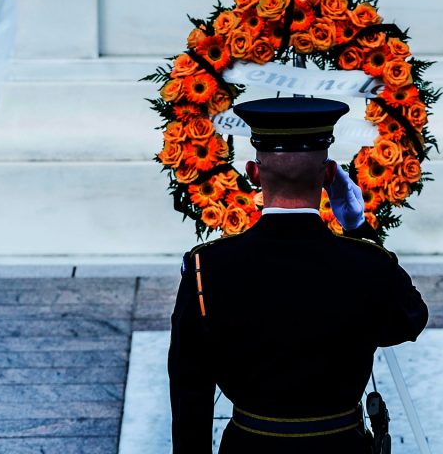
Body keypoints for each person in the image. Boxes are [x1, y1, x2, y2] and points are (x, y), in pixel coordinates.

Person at [168, 97, 428, 454]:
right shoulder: (366, 264)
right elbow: (409, 320)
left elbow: (189, 389)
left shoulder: (207, 267)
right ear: (329, 175)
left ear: (253, 173)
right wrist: (356, 227)